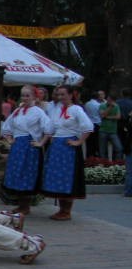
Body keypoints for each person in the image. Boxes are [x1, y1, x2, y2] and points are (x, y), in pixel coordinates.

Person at [40, 85, 93, 220]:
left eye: (63, 94)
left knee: (68, 176)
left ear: (70, 95)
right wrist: (46, 140)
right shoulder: (57, 110)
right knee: (58, 176)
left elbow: (88, 126)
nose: (60, 97)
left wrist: (79, 141)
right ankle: (61, 209)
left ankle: (67, 210)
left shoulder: (76, 109)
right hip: (57, 146)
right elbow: (50, 127)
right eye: (58, 94)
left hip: (68, 147)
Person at [2, 85, 53, 215]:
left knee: (26, 174)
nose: (24, 98)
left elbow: (48, 127)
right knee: (17, 173)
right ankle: (21, 205)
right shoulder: (18, 111)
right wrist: (9, 139)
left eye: (27, 95)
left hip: (29, 147)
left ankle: (25, 206)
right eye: (23, 95)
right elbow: (7, 126)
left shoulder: (37, 111)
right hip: (18, 146)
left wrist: (41, 142)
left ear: (34, 97)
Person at [98, 94, 123, 160]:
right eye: (109, 99)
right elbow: (102, 116)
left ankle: (117, 162)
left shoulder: (116, 106)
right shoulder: (102, 105)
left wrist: (108, 117)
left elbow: (118, 117)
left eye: (111, 100)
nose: (109, 101)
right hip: (103, 130)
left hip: (113, 131)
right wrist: (110, 107)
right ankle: (104, 163)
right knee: (102, 150)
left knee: (119, 148)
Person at [83, 92, 102, 158]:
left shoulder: (87, 104)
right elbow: (100, 114)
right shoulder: (98, 105)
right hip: (97, 124)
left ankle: (88, 156)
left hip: (89, 123)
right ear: (97, 97)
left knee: (89, 142)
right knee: (96, 142)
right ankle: (95, 156)